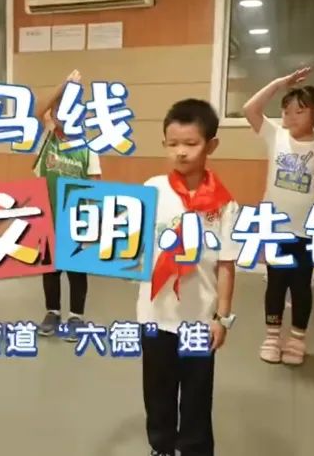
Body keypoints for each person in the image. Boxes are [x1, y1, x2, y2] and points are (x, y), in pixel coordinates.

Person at [137, 99, 239, 456]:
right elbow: (129, 243)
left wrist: (222, 317)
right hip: (155, 315)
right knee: (157, 391)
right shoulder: (152, 190)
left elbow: (226, 264)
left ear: (211, 145)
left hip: (199, 319)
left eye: (191, 143)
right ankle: (161, 446)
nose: (180, 152)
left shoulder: (223, 204)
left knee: (196, 394)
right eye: (172, 143)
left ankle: (194, 448)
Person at [243, 68, 314, 366]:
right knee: (275, 284)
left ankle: (297, 339)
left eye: (300, 111)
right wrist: (279, 83)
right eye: (286, 111)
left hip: (306, 232)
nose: (291, 116)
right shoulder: (276, 136)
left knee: (300, 286)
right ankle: (272, 337)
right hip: (275, 228)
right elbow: (250, 109)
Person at [32, 70, 101, 342]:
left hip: (76, 219)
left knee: (76, 270)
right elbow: (38, 110)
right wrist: (64, 85)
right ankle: (52, 312)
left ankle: (76, 316)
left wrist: (92, 225)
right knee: (50, 268)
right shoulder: (46, 139)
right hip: (47, 216)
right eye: (60, 109)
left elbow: (95, 186)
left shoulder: (88, 148)